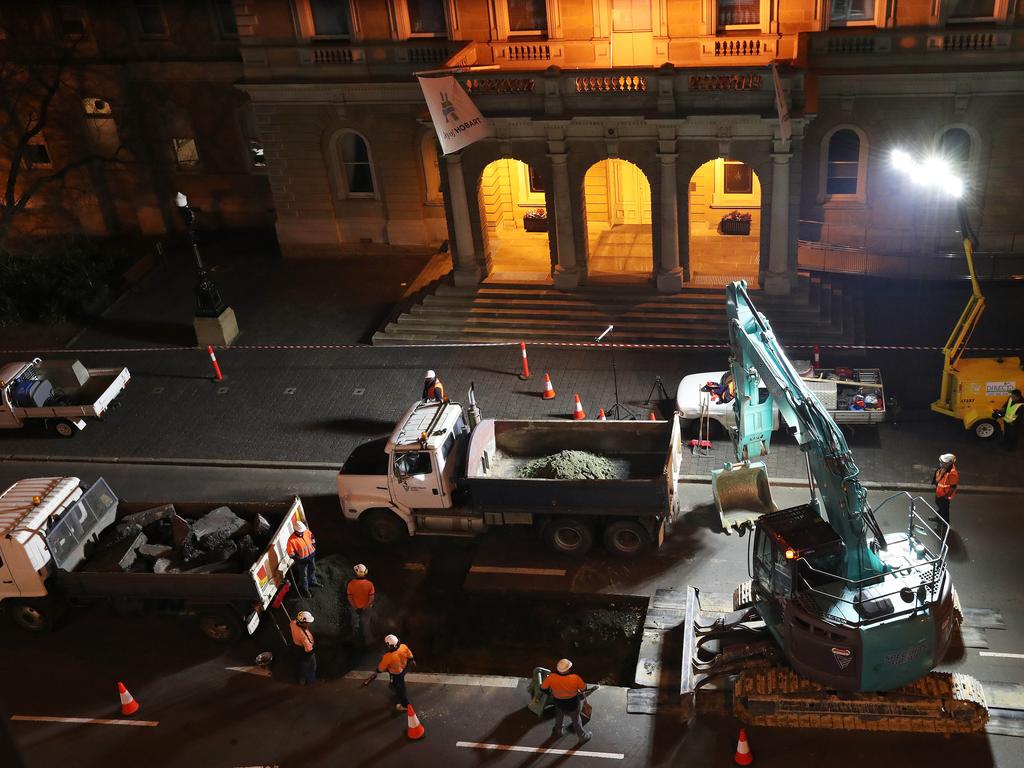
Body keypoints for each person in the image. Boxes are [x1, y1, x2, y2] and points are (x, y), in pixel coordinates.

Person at [540, 658, 592, 745]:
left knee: (559, 715)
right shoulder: (575, 678)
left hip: (559, 702)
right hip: (573, 702)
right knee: (576, 719)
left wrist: (551, 693)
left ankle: (559, 730)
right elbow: (584, 688)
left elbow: (542, 688)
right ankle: (582, 736)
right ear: (568, 669)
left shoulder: (552, 677)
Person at [376, 634, 415, 712]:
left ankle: (405, 705)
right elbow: (409, 654)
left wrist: (378, 670)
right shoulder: (403, 646)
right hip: (403, 669)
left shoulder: (388, 656)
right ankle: (399, 687)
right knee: (400, 682)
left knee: (399, 689)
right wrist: (411, 660)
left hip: (395, 674)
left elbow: (381, 668)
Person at [286, 520, 321, 597]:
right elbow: (290, 553)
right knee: (304, 575)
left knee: (312, 569)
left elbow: (312, 537)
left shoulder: (306, 532)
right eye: (300, 532)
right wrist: (299, 559)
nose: (302, 532)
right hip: (302, 561)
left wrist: (314, 546)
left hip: (311, 556)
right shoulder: (291, 540)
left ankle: (312, 582)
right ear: (295, 530)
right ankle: (305, 590)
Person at [346, 563, 376, 646]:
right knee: (366, 625)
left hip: (354, 609)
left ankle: (355, 643)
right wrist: (364, 608)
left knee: (354, 625)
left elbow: (350, 598)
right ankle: (368, 642)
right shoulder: (370, 584)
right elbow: (371, 599)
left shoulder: (351, 584)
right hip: (367, 609)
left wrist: (355, 608)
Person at [931, 453, 959, 528]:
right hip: (939, 493)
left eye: (942, 462)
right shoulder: (943, 468)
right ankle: (938, 518)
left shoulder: (952, 473)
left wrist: (946, 496)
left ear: (948, 464)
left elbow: (952, 487)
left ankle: (944, 524)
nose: (940, 463)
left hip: (944, 496)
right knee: (940, 507)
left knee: (944, 511)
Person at [290, 611, 316, 685]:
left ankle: (301, 680)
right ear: (304, 623)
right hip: (305, 651)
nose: (309, 623)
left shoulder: (293, 623)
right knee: (311, 666)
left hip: (296, 647)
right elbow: (308, 650)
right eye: (308, 622)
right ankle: (311, 681)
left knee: (300, 664)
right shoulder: (304, 636)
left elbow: (292, 622)